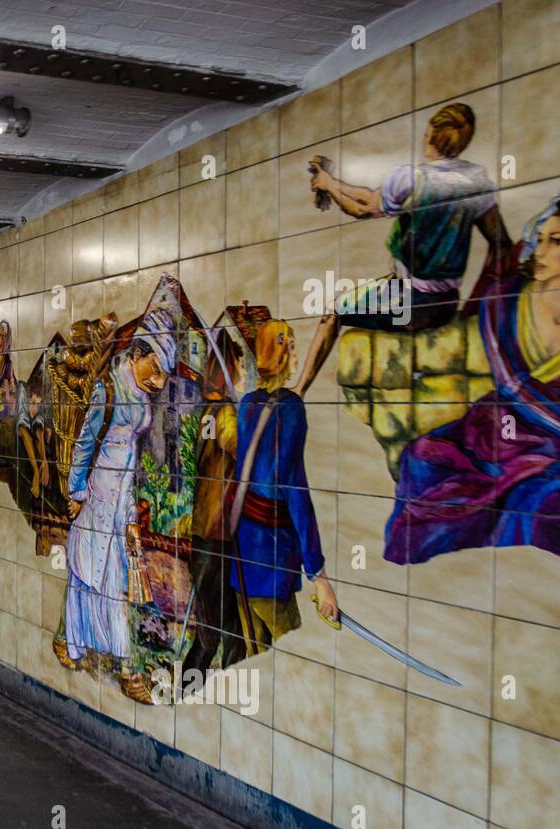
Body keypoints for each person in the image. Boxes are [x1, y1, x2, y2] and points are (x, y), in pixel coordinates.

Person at [386, 197, 560, 561]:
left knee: (539, 502)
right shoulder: (507, 299)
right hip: (498, 423)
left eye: (555, 241)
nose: (539, 250)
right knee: (422, 456)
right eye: (540, 238)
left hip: (550, 444)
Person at [309, 102, 512, 331]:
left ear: (429, 138)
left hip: (407, 302)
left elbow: (361, 209)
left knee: (333, 311)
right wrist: (476, 301)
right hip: (444, 305)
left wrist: (329, 186)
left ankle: (306, 370)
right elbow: (502, 244)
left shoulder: (413, 179)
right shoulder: (477, 182)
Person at [59, 308, 175, 697]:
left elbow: (129, 465)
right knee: (86, 575)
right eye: (154, 370)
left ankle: (123, 666)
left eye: (162, 376)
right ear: (140, 354)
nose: (157, 382)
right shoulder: (107, 390)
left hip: (118, 502)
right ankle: (76, 645)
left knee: (112, 582)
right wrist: (75, 494)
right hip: (94, 498)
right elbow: (85, 444)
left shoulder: (139, 397)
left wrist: (129, 519)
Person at [229, 319, 338, 653]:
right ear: (278, 354)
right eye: (290, 347)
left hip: (242, 555)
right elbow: (295, 490)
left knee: (257, 655)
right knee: (294, 654)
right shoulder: (291, 410)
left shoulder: (248, 404)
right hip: (272, 560)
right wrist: (318, 575)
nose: (295, 354)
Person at [182, 329, 247, 676]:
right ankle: (193, 693)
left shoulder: (210, 412)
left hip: (211, 535)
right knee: (217, 632)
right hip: (215, 537)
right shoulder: (222, 414)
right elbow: (240, 448)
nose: (243, 372)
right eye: (239, 363)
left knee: (222, 629)